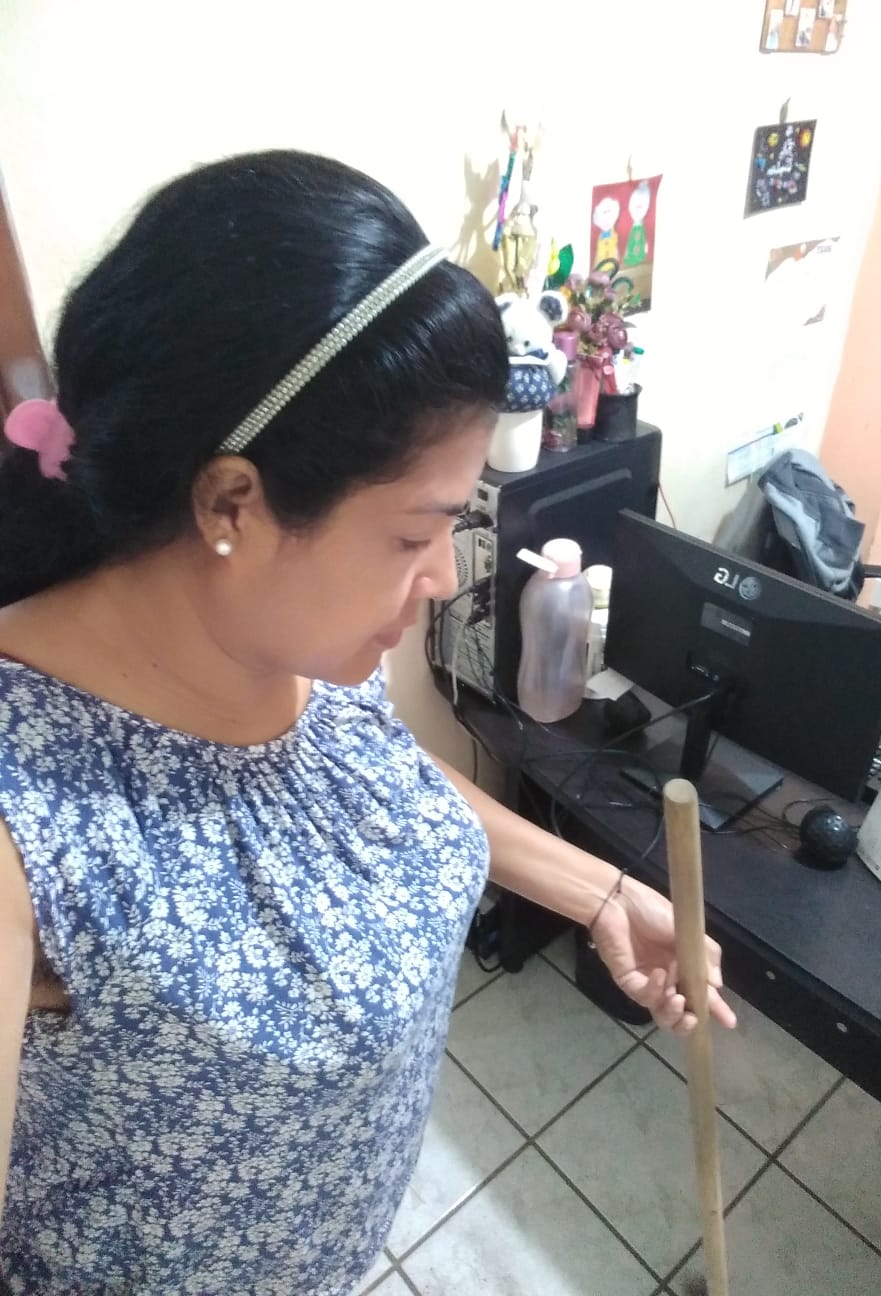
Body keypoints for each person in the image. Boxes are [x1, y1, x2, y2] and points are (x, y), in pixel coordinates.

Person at [0, 150, 735, 1295]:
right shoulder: (25, 802)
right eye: (412, 535)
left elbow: (364, 786)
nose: (443, 578)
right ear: (232, 502)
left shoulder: (304, 643)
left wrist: (596, 891)